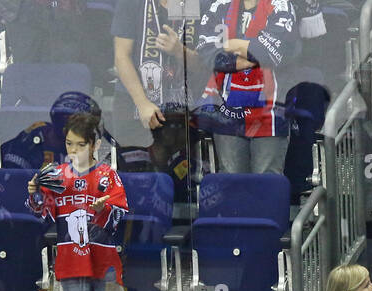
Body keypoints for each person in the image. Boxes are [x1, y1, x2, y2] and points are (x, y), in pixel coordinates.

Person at [27, 113, 130, 291]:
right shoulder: (55, 176)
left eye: (80, 145)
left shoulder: (107, 175)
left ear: (95, 145)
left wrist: (104, 209)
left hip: (103, 258)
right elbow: (42, 214)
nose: (73, 150)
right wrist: (35, 194)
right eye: (69, 143)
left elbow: (120, 214)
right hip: (70, 258)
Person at [194, 0, 300, 175]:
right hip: (227, 109)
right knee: (231, 179)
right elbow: (207, 53)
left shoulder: (280, 5)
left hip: (271, 110)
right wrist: (244, 58)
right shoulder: (219, 5)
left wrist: (232, 45)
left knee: (266, 181)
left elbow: (273, 52)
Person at [112, 0, 203, 140]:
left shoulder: (194, 3)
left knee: (179, 161)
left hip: (182, 109)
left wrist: (179, 51)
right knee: (136, 160)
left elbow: (203, 66)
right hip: (133, 106)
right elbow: (121, 56)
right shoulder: (131, 3)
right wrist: (142, 103)